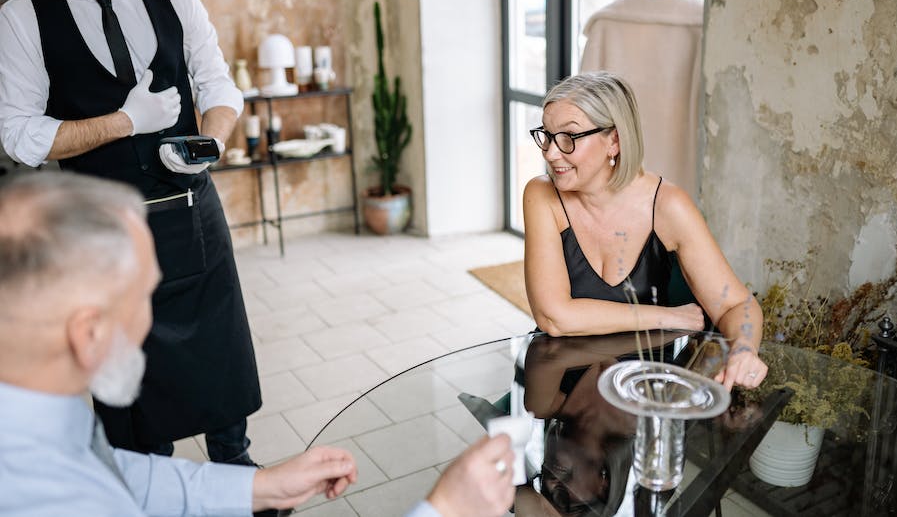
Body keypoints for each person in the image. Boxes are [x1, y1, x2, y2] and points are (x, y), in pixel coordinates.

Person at [0, 172, 517, 517]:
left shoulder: (36, 413)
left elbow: (121, 474)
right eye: (144, 297)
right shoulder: (49, 499)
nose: (153, 318)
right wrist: (444, 510)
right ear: (88, 333)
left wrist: (260, 487)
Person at [0, 0, 262, 462]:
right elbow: (20, 138)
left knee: (218, 351)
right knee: (127, 379)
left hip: (191, 213)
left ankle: (235, 463)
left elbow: (217, 84)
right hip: (97, 233)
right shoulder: (21, 18)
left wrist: (210, 141)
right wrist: (125, 122)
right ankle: (146, 480)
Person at [522, 72, 767, 389]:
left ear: (614, 140)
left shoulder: (668, 206)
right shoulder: (542, 196)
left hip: (644, 389)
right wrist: (666, 317)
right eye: (547, 135)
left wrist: (744, 351)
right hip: (560, 381)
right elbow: (554, 317)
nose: (551, 153)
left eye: (568, 138)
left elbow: (738, 305)